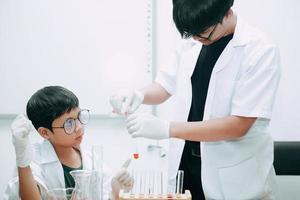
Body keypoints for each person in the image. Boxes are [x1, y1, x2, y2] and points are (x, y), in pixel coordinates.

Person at [109, 0, 281, 199]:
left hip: (234, 179)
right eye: (192, 34)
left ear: (226, 13)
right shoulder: (195, 37)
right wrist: (139, 95)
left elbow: (239, 125)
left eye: (203, 34)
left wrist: (168, 128)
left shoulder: (260, 50)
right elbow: (165, 85)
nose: (197, 39)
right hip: (188, 167)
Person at [4, 86, 133, 200]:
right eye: (69, 123)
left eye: (79, 117)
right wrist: (22, 159)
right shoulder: (31, 161)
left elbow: (106, 195)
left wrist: (116, 192)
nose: (79, 127)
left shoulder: (92, 160)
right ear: (45, 132)